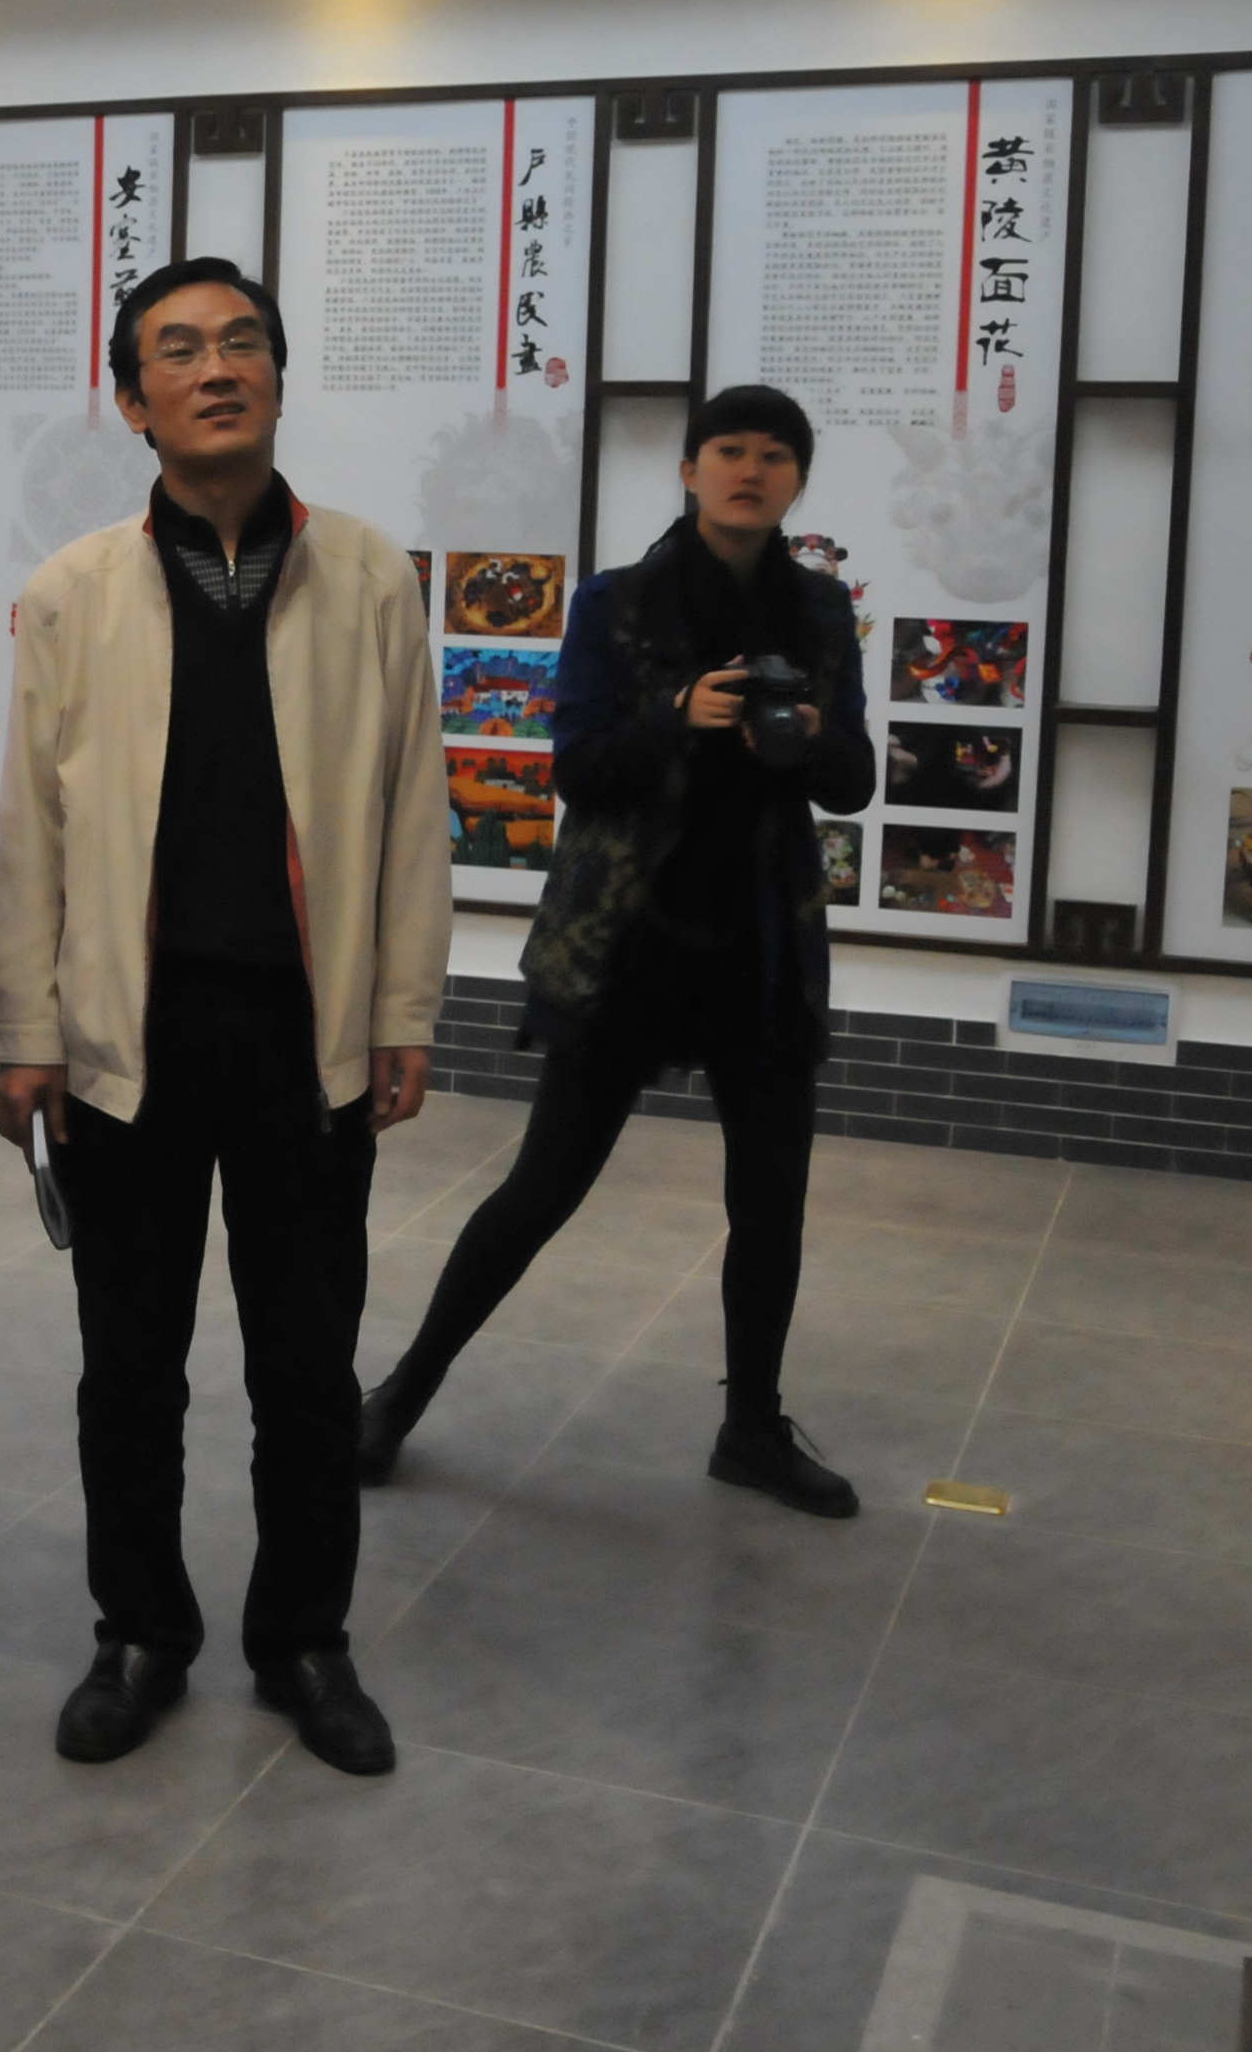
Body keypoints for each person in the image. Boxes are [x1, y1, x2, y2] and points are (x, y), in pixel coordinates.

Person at [0, 255, 449, 1781]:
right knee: (130, 1366)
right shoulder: (73, 593)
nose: (217, 368)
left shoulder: (367, 577)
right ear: (136, 403)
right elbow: (35, 834)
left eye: (243, 342)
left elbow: (413, 809)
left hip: (306, 1038)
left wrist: (404, 1005)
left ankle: (304, 1640)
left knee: (306, 1367)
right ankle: (139, 1633)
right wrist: (28, 1031)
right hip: (130, 1040)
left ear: (278, 379)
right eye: (178, 351)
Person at [360, 385, 878, 1519]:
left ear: (797, 481)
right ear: (690, 470)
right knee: (541, 1188)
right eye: (729, 450)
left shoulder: (819, 608)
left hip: (761, 943)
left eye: (774, 455)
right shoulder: (615, 602)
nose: (750, 470)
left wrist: (802, 739)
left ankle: (751, 1429)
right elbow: (578, 768)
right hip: (630, 940)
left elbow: (854, 780)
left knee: (771, 1203)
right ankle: (398, 1394)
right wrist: (677, 716)